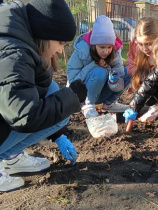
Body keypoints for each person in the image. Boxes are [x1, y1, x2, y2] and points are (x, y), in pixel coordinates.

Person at [0, 0, 87, 192]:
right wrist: (73, 98)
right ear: (46, 33)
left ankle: (9, 158)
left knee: (53, 89)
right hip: (17, 117)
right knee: (59, 100)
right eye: (60, 43)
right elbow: (25, 116)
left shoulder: (23, 44)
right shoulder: (13, 54)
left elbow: (33, 95)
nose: (60, 50)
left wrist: (58, 135)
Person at [67, 15, 130, 119]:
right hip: (81, 95)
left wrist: (113, 79)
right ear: (93, 44)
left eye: (109, 47)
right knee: (99, 71)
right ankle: (88, 106)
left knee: (129, 71)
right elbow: (73, 81)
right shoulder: (82, 50)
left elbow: (120, 80)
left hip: (102, 93)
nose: (106, 51)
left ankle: (109, 104)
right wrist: (94, 65)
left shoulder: (115, 52)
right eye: (102, 47)